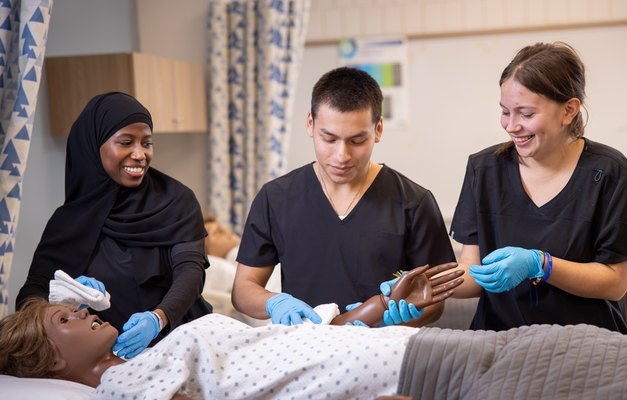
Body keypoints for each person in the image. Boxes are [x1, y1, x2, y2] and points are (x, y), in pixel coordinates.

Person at [0, 263, 463, 399]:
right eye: (65, 319)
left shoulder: (142, 362)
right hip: (404, 374)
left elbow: (280, 347)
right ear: (54, 361)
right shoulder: (126, 386)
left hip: (401, 349)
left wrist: (376, 308)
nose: (80, 312)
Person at [232, 67, 456, 328]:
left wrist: (394, 320)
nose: (342, 155)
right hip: (304, 350)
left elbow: (435, 302)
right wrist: (274, 302)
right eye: (329, 139)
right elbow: (243, 290)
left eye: (357, 141)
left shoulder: (414, 203)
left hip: (383, 352)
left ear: (379, 129)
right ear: (310, 124)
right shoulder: (276, 198)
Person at [445, 42, 627, 332]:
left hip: (588, 349)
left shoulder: (608, 172)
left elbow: (615, 283)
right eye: (505, 111)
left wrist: (543, 265)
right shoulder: (484, 170)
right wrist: (424, 288)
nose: (511, 126)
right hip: (499, 343)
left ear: (568, 111)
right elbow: (472, 272)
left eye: (526, 114)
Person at [16, 92, 213, 358]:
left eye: (147, 143)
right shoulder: (67, 222)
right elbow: (30, 297)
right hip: (105, 359)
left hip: (182, 340)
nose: (140, 154)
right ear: (93, 145)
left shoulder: (176, 200)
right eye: (125, 142)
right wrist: (62, 297)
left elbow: (191, 271)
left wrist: (158, 319)